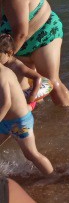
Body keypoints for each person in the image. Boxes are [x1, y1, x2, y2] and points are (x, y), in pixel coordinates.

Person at [0, 0, 69, 107]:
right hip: (12, 45)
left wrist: (6, 60)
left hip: (43, 35)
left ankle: (68, 119)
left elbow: (21, 33)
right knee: (25, 90)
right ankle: (37, 118)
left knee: (51, 80)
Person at [0, 34, 55, 175]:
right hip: (5, 121)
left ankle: (52, 176)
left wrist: (32, 97)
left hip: (19, 121)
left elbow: (6, 103)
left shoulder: (4, 73)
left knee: (31, 154)